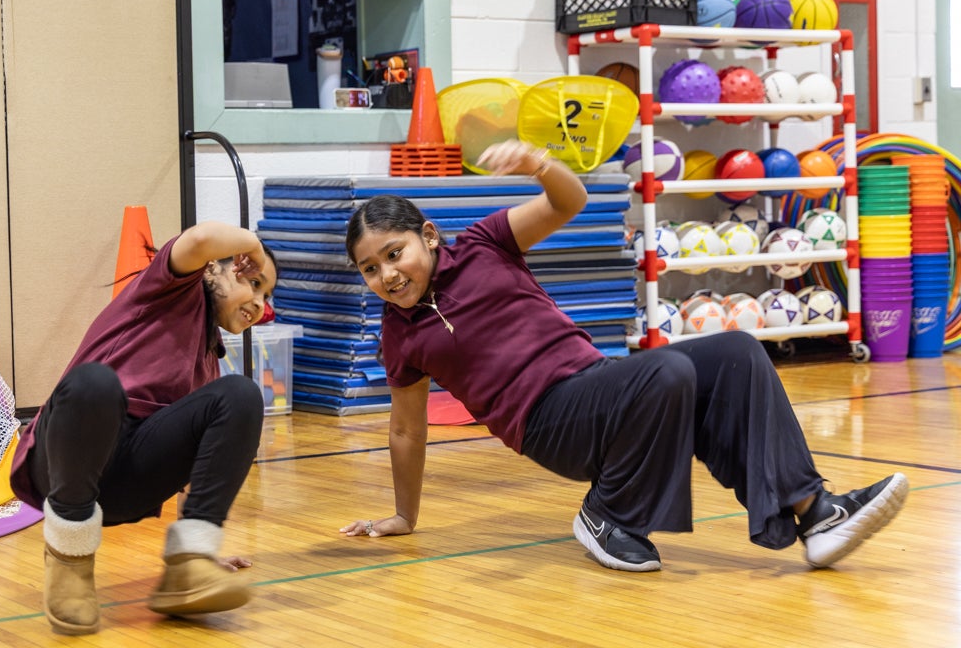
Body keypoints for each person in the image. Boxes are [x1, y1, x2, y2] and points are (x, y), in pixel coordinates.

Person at [340, 139, 908, 575]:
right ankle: (609, 513)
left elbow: (571, 199)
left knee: (736, 352)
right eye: (371, 269)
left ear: (429, 236)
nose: (387, 274)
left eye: (395, 253)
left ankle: (815, 513)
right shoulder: (400, 335)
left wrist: (538, 162)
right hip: (548, 425)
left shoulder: (486, 241)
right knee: (668, 370)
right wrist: (404, 517)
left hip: (599, 383)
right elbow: (406, 432)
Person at [10, 221, 278, 635]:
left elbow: (197, 460)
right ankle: (69, 562)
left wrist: (201, 550)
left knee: (241, 394)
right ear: (210, 270)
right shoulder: (168, 289)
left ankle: (187, 570)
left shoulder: (208, 362)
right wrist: (253, 244)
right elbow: (202, 240)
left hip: (123, 486)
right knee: (94, 383)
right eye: (253, 280)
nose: (259, 303)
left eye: (266, 295)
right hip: (65, 467)